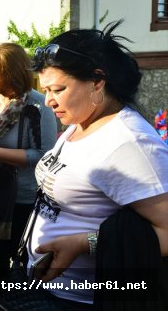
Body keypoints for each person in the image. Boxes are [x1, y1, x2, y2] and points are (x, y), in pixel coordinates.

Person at [25, 21, 168, 307]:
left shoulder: (130, 143)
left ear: (97, 81)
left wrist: (84, 243)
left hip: (83, 300)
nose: (48, 101)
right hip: (48, 289)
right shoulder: (80, 122)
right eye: (45, 90)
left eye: (58, 89)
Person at [0, 43, 57, 301]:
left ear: (15, 73)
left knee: (21, 264)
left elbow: (44, 155)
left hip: (23, 199)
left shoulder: (38, 107)